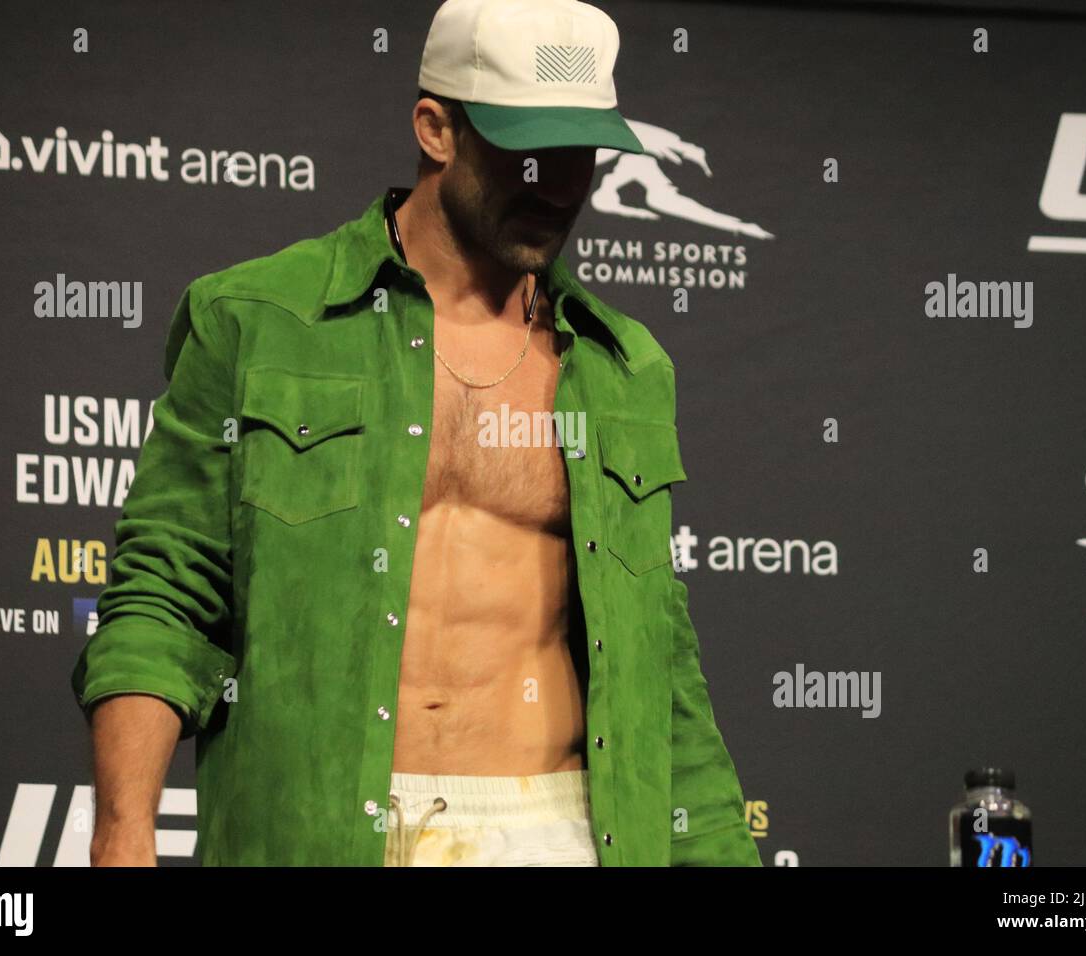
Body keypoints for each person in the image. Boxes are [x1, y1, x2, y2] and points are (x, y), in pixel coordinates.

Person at [72, 0, 762, 867]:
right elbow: (163, 593)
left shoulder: (627, 370)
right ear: (437, 130)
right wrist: (124, 830)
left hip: (558, 830)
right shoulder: (256, 320)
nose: (556, 184)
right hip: (321, 832)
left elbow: (659, 667)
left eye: (580, 155)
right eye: (526, 150)